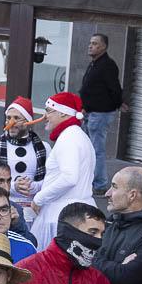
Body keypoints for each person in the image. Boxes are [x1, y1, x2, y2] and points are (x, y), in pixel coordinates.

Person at [28, 93, 95, 250]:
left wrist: (39, 198)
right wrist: (36, 186)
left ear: (63, 113)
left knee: (46, 268)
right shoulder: (77, 136)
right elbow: (63, 177)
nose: (45, 116)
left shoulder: (69, 138)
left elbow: (69, 178)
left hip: (60, 217)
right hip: (73, 214)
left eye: (49, 110)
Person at [0, 97, 47, 225]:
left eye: (17, 118)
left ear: (29, 121)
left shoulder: (44, 148)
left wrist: (34, 187)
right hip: (1, 213)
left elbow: (51, 180)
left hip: (34, 214)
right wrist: (13, 187)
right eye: (8, 118)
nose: (11, 123)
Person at [80, 33, 125, 195]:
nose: (90, 46)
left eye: (95, 43)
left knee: (96, 150)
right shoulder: (95, 64)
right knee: (86, 149)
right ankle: (89, 180)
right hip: (90, 113)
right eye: (90, 43)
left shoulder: (107, 65)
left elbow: (115, 88)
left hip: (100, 114)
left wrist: (118, 103)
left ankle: (100, 184)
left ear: (103, 46)